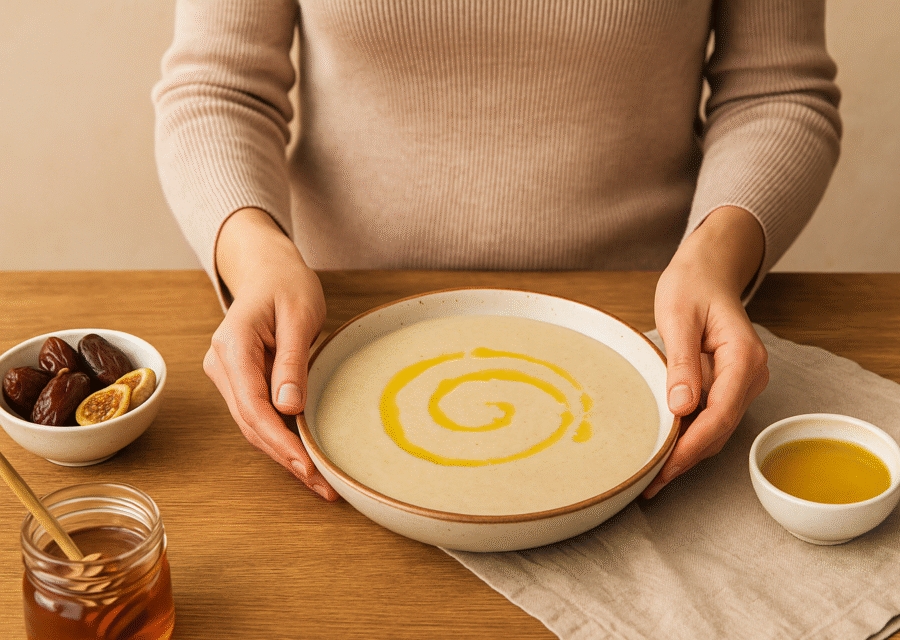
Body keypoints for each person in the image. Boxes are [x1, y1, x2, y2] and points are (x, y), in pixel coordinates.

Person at [153, 0, 841, 502]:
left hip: (653, 334)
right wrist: (252, 255)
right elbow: (219, 87)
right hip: (334, 327)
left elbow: (776, 90)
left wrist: (715, 259)